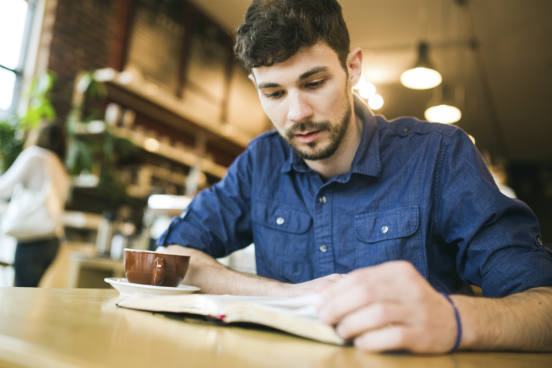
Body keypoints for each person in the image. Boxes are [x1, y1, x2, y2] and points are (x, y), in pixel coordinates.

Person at [156, 0, 552, 353]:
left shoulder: (439, 155)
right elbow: (168, 258)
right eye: (274, 93)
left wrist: (454, 319)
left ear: (353, 68)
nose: (297, 113)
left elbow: (544, 305)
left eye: (314, 83)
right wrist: (287, 295)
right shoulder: (260, 162)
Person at [0, 123, 70, 286]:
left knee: (20, 296)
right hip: (52, 243)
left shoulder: (35, 156)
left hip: (33, 239)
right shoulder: (60, 166)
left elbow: (4, 188)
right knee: (27, 294)